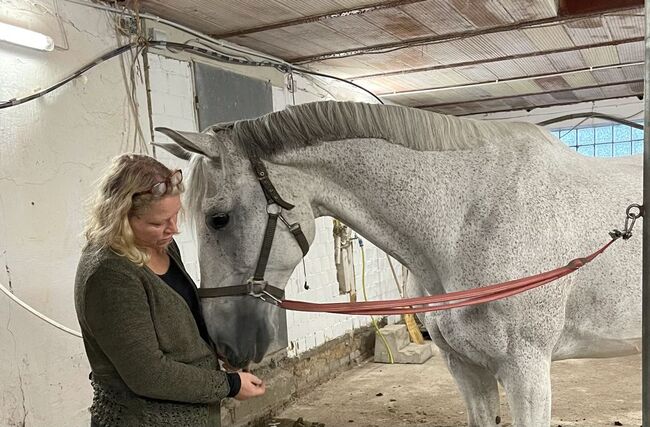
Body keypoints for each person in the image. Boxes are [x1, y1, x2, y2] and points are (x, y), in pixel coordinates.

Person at [74, 154, 265, 426]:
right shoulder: (109, 275)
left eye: (175, 216)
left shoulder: (161, 247)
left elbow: (178, 314)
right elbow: (148, 374)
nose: (173, 229)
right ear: (120, 217)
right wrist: (230, 385)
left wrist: (219, 343)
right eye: (158, 222)